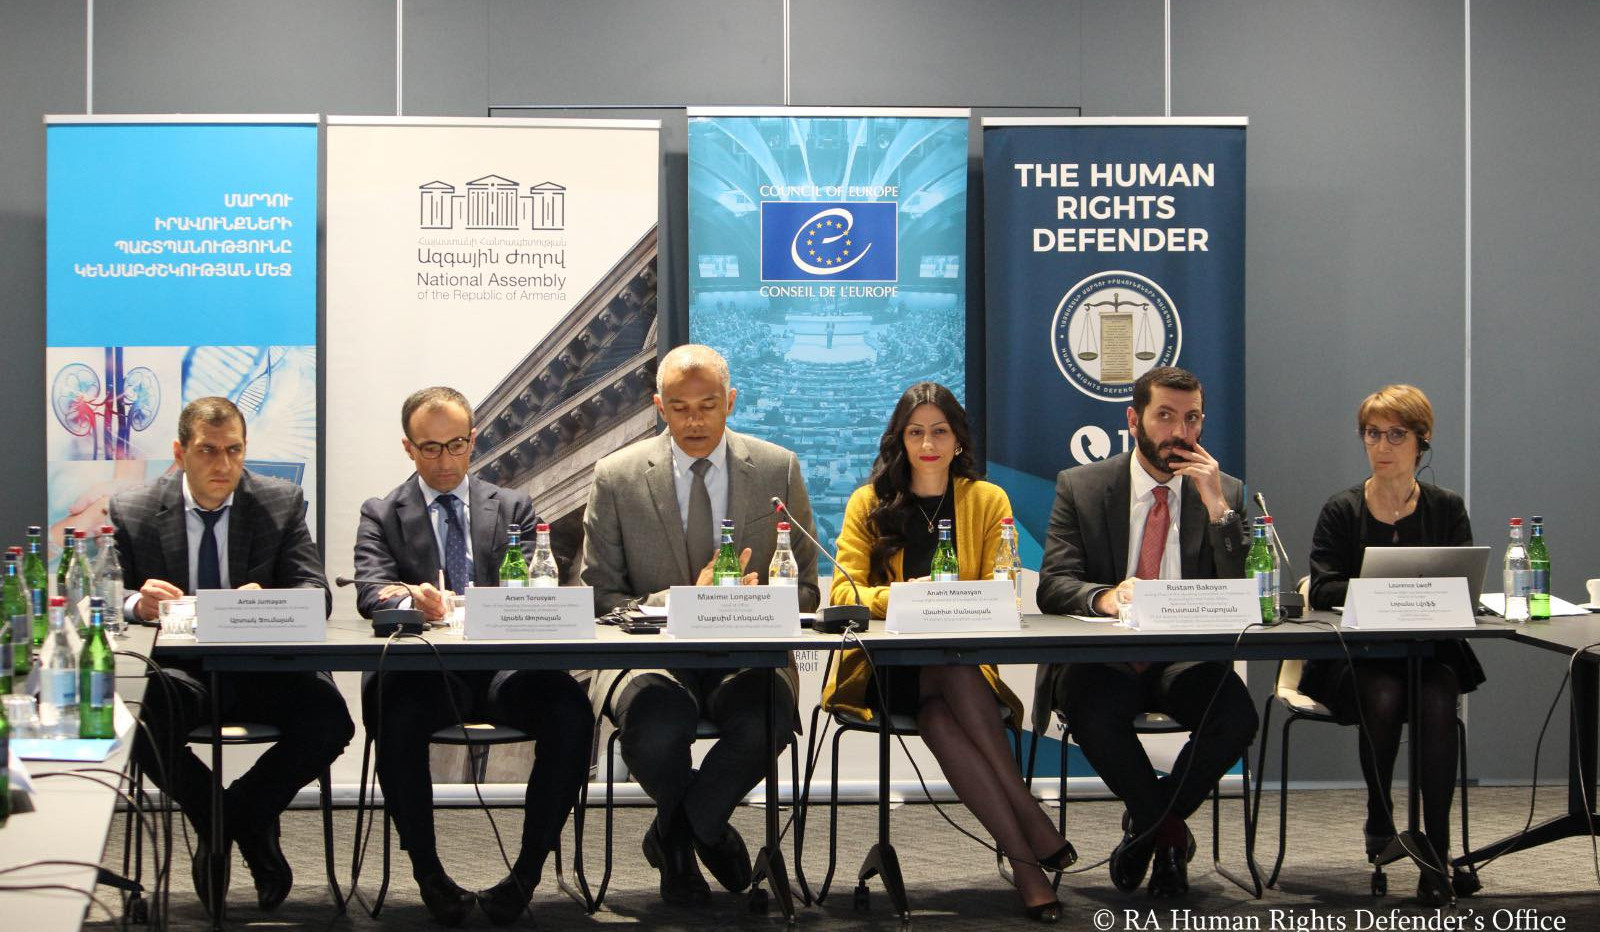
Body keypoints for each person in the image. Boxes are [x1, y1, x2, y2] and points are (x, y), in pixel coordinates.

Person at [824, 382, 1073, 922]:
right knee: (949, 676)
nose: (927, 444)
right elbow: (844, 592)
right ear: (900, 439)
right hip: (885, 669)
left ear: (958, 439)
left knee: (940, 712)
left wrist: (950, 604)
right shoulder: (869, 503)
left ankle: (1026, 866)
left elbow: (1002, 589)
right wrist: (903, 598)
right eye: (915, 432)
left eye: (939, 431)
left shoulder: (987, 500)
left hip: (959, 666)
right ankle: (1028, 815)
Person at [581, 344, 820, 905]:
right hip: (650, 658)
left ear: (730, 401)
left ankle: (679, 835)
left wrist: (767, 599)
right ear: (658, 406)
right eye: (680, 408)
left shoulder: (778, 468)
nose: (694, 421)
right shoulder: (616, 476)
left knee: (764, 721)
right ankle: (710, 835)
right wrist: (685, 599)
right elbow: (600, 599)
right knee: (655, 728)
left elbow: (808, 591)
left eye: (708, 406)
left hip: (748, 656)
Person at [354, 386, 594, 926]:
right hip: (428, 673)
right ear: (408, 448)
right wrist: (407, 599)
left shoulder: (512, 507)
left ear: (473, 441)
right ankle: (429, 876)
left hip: (508, 671)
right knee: (394, 714)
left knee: (571, 712)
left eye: (456, 445)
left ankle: (526, 875)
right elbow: (370, 591)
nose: (445, 460)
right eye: (430, 447)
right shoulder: (382, 513)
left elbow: (533, 585)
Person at [109, 397, 354, 914]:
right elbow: (104, 596)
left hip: (264, 669)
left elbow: (316, 594)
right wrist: (136, 603)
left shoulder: (280, 502)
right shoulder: (134, 510)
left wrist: (270, 600)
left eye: (234, 450)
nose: (223, 464)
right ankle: (223, 817)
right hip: (182, 673)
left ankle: (238, 816)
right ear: (180, 453)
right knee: (136, 719)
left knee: (329, 719)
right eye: (207, 451)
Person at [1034, 366, 1256, 899]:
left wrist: (1218, 509)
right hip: (1107, 657)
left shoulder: (1224, 491)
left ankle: (1148, 826)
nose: (1180, 432)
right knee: (1090, 709)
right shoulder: (1083, 486)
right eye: (1165, 416)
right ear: (1134, 421)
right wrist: (1106, 597)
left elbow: (1249, 590)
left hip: (1186, 660)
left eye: (1192, 419)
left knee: (1236, 717)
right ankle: (1170, 836)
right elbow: (1054, 584)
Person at [1304, 384, 1484, 904]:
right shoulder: (1342, 508)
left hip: (1429, 651)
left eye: (1396, 435)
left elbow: (1462, 584)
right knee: (1382, 695)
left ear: (1421, 441)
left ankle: (1437, 853)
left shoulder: (1446, 507)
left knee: (1437, 696)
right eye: (1372, 434)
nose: (1381, 446)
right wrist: (1389, 589)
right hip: (1355, 657)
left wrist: (1400, 590)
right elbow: (1322, 587)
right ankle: (1380, 816)